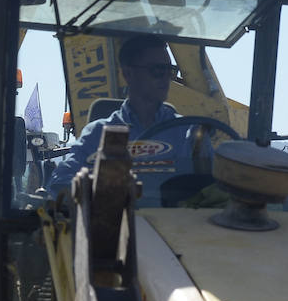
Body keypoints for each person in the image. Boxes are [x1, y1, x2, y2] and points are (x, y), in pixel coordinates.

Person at [45, 34, 197, 197]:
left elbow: (211, 187)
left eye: (170, 70)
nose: (166, 78)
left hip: (174, 221)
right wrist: (97, 188)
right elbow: (60, 182)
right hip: (114, 220)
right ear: (128, 74)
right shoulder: (98, 133)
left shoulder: (188, 133)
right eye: (157, 70)